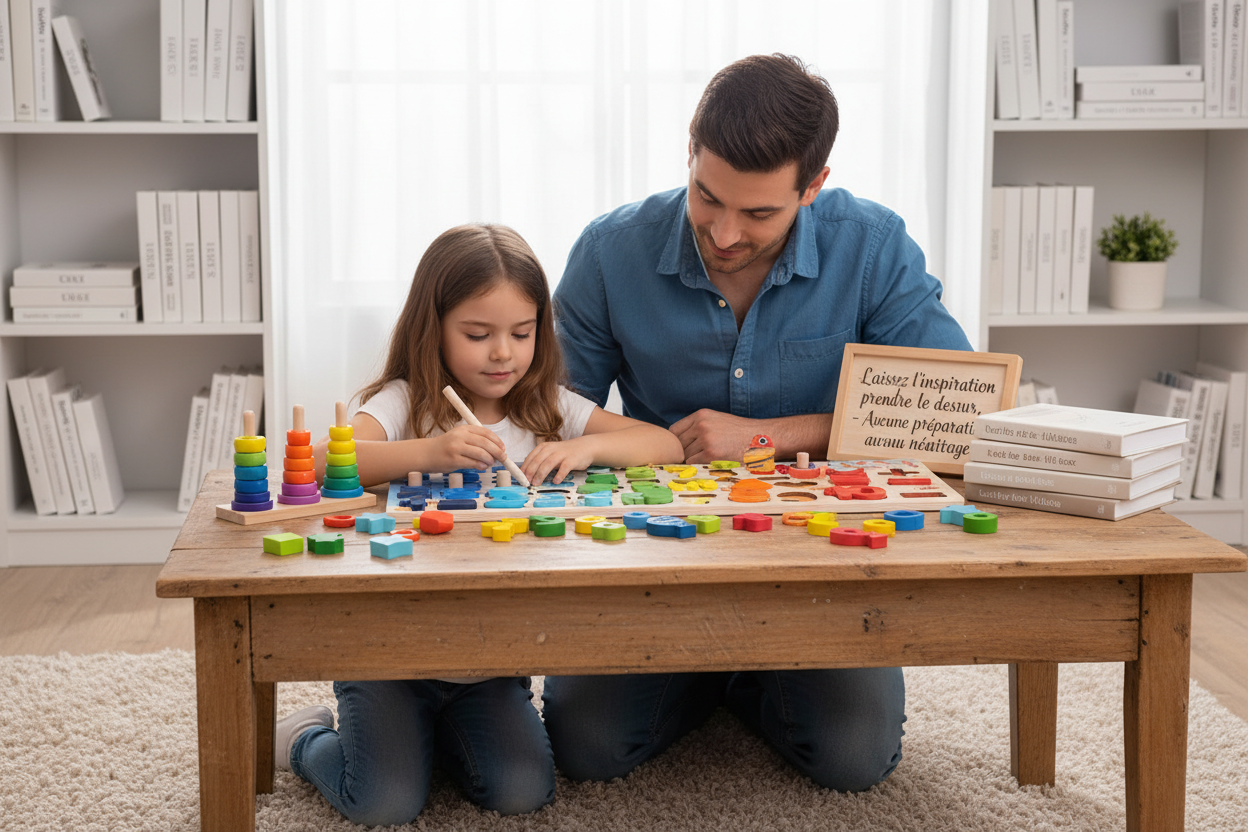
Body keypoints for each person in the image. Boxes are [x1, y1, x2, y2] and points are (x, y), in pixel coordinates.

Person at [547, 55, 973, 792]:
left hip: (823, 557)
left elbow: (951, 409)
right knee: (584, 747)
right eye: (707, 197)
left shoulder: (871, 247)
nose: (724, 232)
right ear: (690, 148)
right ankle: (714, 671)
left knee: (854, 758)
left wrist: (773, 436)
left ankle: (737, 675)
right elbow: (553, 415)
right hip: (658, 553)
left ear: (814, 187)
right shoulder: (610, 251)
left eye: (760, 213)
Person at [279, 223, 683, 826]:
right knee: (384, 802)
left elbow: (667, 445)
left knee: (521, 789)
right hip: (389, 656)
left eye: (521, 334)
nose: (503, 353)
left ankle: (430, 738)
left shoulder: (546, 406)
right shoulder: (404, 400)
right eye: (478, 334)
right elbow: (317, 463)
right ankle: (305, 737)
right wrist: (427, 453)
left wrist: (586, 450)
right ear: (433, 327)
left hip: (489, 663)